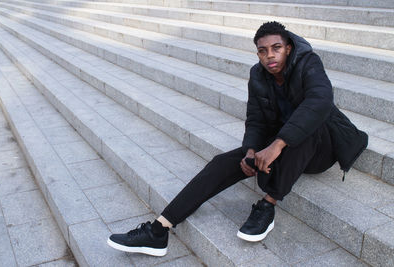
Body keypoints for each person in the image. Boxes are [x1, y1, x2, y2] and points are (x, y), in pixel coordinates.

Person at [107, 21, 368, 257]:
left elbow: (320, 101)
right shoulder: (258, 75)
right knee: (223, 162)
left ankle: (267, 205)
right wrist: (252, 150)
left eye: (276, 48)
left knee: (311, 123)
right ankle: (158, 230)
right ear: (258, 54)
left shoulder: (308, 63)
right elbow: (256, 119)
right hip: (283, 142)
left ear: (288, 48)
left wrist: (276, 146)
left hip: (320, 149)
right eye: (263, 51)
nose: (270, 56)